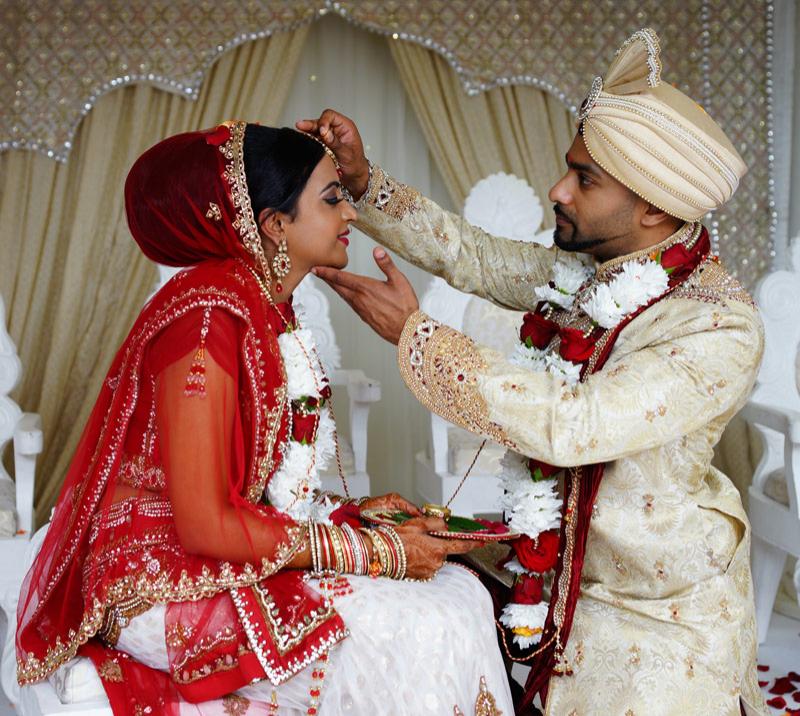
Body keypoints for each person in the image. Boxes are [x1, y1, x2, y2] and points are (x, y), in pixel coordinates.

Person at [300, 28, 768, 716]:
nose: (559, 189)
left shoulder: (718, 327)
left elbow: (574, 425)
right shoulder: (597, 274)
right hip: (558, 586)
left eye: (585, 179)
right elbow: (477, 257)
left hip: (657, 622)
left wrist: (416, 335)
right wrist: (365, 184)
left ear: (655, 208)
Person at [15, 121, 514, 715]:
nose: (349, 216)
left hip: (213, 556)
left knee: (459, 593)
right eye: (331, 199)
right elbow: (203, 523)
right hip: (155, 579)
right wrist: (374, 552)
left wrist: (354, 514)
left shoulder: (267, 308)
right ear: (275, 224)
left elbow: (259, 488)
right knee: (423, 626)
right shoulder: (207, 317)